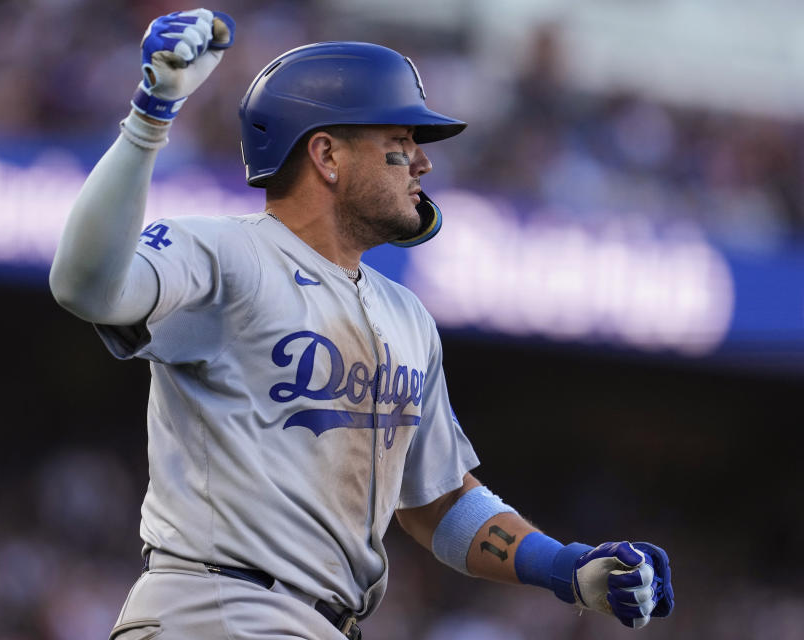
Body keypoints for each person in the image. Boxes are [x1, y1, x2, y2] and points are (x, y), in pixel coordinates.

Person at [48, 9, 675, 640]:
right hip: (219, 604)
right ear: (327, 155)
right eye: (400, 145)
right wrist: (150, 116)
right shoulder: (225, 252)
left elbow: (440, 505)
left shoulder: (406, 315)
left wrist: (567, 569)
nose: (423, 165)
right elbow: (86, 285)